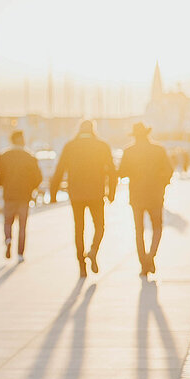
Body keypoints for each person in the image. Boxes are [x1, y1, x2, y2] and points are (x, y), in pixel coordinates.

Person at [49, 119, 117, 278]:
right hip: (96, 192)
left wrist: (53, 193)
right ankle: (93, 251)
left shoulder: (70, 146)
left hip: (76, 194)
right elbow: (112, 171)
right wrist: (111, 193)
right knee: (100, 226)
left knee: (79, 228)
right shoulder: (102, 146)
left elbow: (60, 170)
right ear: (93, 129)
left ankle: (81, 266)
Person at [117, 123, 174, 277]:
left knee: (139, 231)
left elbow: (122, 173)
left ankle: (144, 263)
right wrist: (162, 184)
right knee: (157, 227)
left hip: (137, 196)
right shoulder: (159, 149)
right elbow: (169, 170)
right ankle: (151, 257)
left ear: (134, 136)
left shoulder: (129, 151)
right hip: (155, 195)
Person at [0, 130, 42, 262]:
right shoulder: (30, 156)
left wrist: (4, 184)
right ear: (23, 141)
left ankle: (8, 239)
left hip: (9, 195)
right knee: (22, 226)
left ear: (12, 140)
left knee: (8, 222)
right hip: (24, 196)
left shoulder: (4, 156)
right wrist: (30, 188)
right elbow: (38, 177)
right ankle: (20, 254)